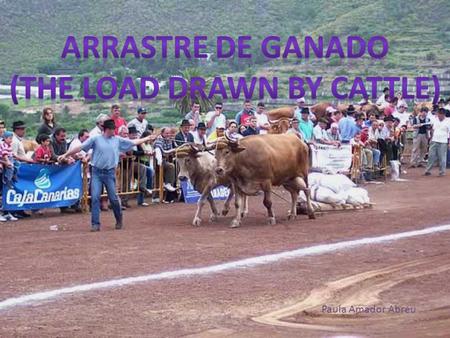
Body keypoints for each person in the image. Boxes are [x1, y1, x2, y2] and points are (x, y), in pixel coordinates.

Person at [58, 119, 155, 231]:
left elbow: (133, 142)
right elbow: (79, 147)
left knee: (113, 199)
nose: (114, 131)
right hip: (97, 172)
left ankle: (119, 219)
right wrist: (66, 154)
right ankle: (95, 224)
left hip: (109, 172)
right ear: (107, 129)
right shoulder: (95, 139)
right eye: (113, 129)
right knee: (95, 198)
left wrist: (147, 138)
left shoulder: (117, 140)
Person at [424, 108, 450, 176]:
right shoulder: (435, 120)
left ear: (444, 114)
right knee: (431, 156)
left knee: (442, 157)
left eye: (440, 114)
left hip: (443, 141)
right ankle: (427, 170)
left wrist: (449, 142)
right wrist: (431, 138)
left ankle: (442, 172)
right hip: (434, 140)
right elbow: (432, 129)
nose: (439, 116)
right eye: (438, 114)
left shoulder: (448, 121)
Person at [153, 127, 177, 192]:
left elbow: (175, 148)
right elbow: (159, 149)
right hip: (157, 162)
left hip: (165, 161)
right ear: (162, 133)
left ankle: (162, 195)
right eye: (166, 133)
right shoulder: (159, 140)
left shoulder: (170, 140)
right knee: (171, 166)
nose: (168, 135)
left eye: (169, 133)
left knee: (159, 179)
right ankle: (168, 184)